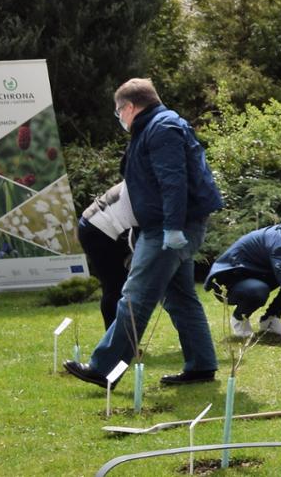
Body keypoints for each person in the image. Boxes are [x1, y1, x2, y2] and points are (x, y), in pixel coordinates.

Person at [64, 79, 225, 388]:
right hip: (168, 225)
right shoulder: (157, 126)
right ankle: (202, 366)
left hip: (166, 228)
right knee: (180, 298)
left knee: (134, 297)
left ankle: (104, 369)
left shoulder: (161, 128)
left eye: (118, 112)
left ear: (129, 107)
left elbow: (173, 180)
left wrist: (172, 227)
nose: (119, 118)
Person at [203, 218, 281, 339]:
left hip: (258, 275)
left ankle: (270, 320)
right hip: (229, 281)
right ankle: (239, 319)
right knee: (259, 290)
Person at [76, 181, 135, 327]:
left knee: (122, 286)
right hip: (97, 229)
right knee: (115, 287)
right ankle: (115, 337)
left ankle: (123, 336)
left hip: (117, 229)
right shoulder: (143, 179)